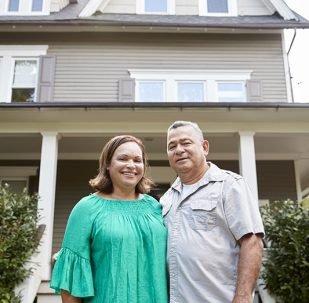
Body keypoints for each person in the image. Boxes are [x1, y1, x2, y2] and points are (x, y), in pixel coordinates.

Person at [50, 135, 168, 303]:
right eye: (123, 159)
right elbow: (71, 282)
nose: (131, 165)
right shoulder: (86, 209)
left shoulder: (155, 208)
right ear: (107, 164)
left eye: (137, 160)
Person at [160, 121, 264, 303]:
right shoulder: (167, 199)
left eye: (186, 143)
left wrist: (243, 297)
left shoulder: (229, 185)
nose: (179, 150)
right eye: (172, 146)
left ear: (204, 147)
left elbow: (252, 242)